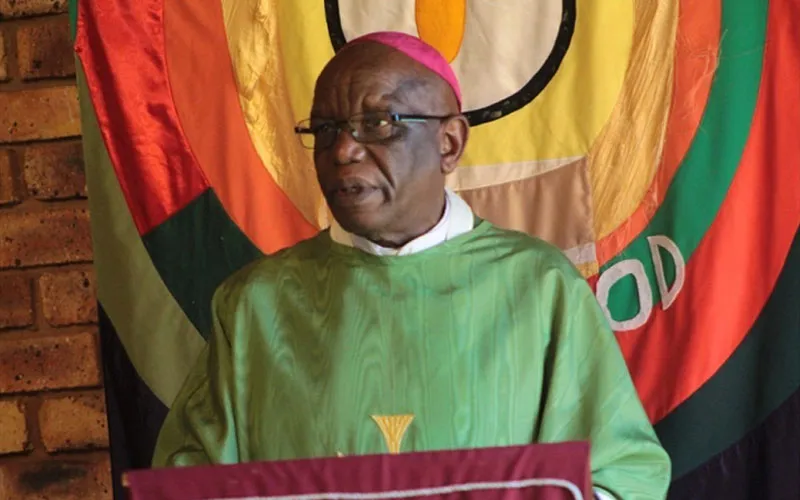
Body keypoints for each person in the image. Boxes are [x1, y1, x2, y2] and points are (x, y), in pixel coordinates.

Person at [152, 31, 671, 499]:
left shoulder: (540, 287)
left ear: (450, 142)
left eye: (379, 123)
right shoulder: (254, 303)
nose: (343, 150)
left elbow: (620, 476)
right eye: (327, 128)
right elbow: (191, 479)